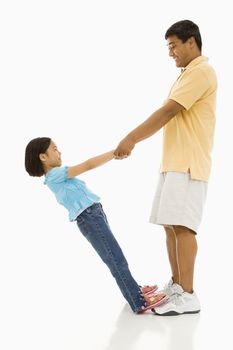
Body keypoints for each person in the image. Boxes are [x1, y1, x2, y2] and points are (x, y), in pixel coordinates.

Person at [114, 20, 217, 316]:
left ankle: (188, 294)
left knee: (183, 227)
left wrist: (131, 138)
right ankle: (177, 285)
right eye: (168, 46)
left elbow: (168, 111)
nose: (170, 52)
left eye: (173, 45)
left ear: (191, 42)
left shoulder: (202, 71)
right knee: (170, 225)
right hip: (174, 163)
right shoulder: (187, 74)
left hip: (189, 164)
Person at [24, 137, 167, 314]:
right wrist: (114, 153)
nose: (59, 152)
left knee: (115, 256)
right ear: (43, 157)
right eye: (54, 149)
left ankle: (134, 290)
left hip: (93, 215)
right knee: (115, 258)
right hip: (89, 217)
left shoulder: (54, 176)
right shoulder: (55, 174)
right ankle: (138, 301)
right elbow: (88, 164)